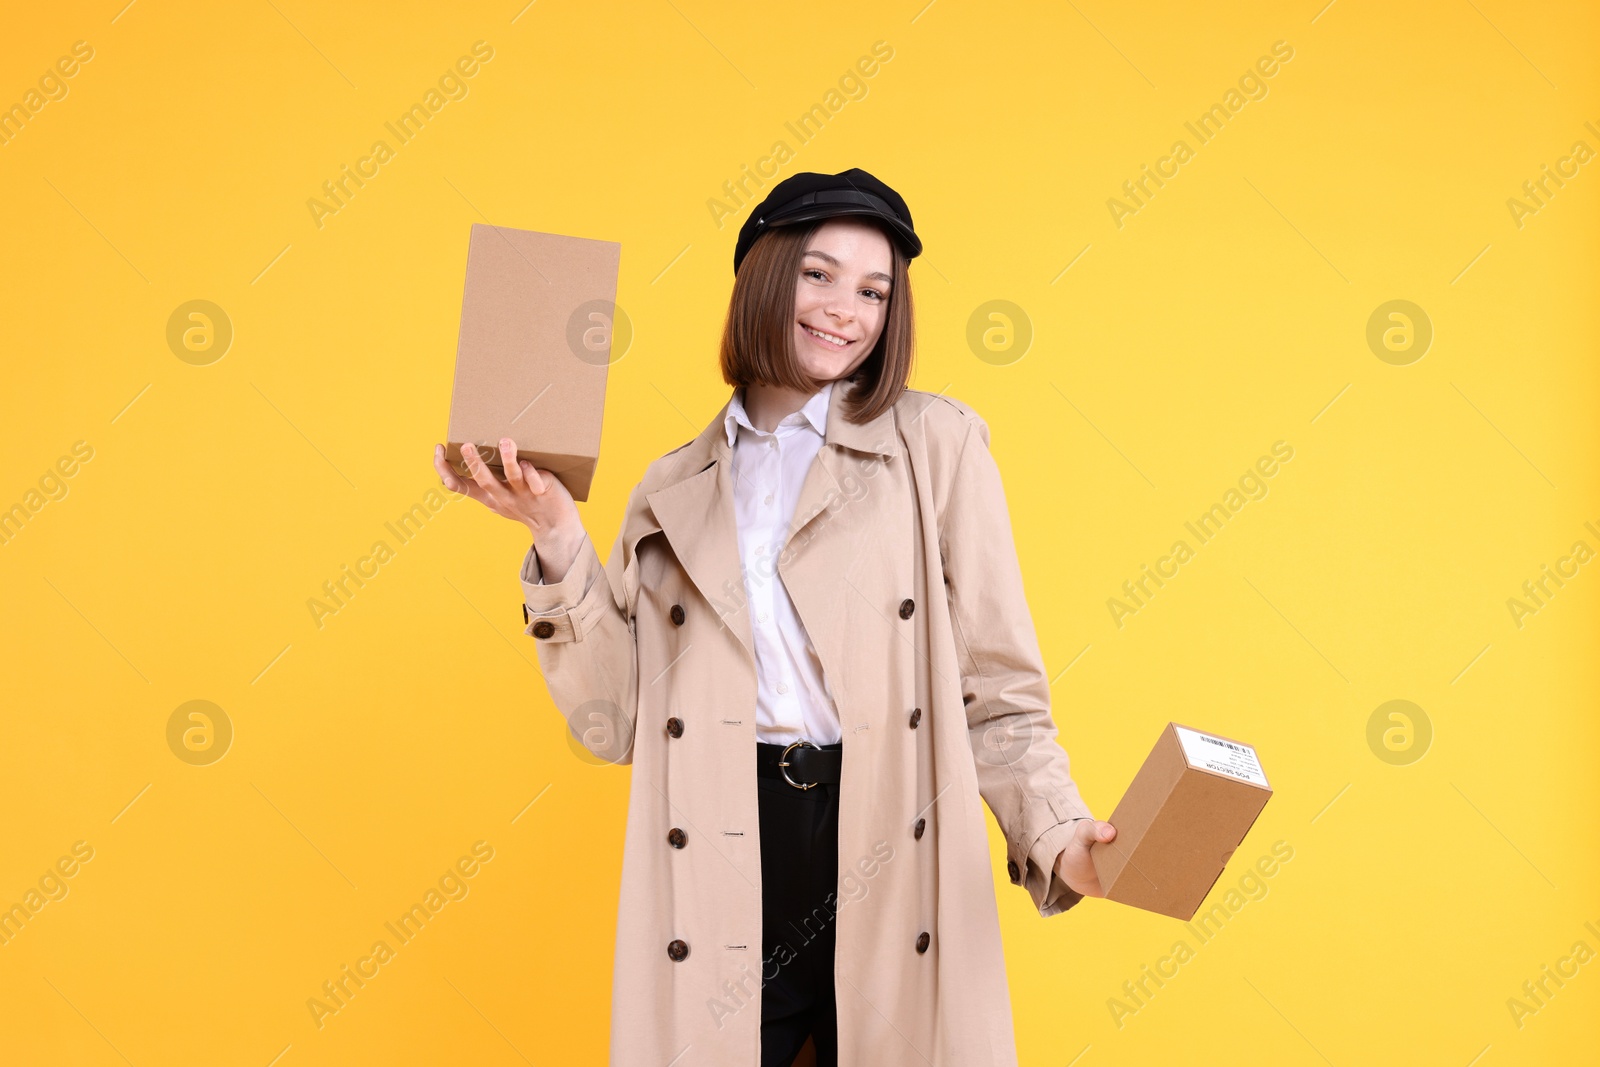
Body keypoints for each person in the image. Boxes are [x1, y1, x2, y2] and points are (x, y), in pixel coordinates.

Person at [432, 168, 1117, 1067]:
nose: (848, 310)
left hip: (886, 832)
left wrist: (1064, 839)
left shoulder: (937, 445)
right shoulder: (672, 486)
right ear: (763, 276)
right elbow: (615, 722)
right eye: (819, 275)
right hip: (722, 837)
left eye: (875, 290)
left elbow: (999, 692)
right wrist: (557, 534)